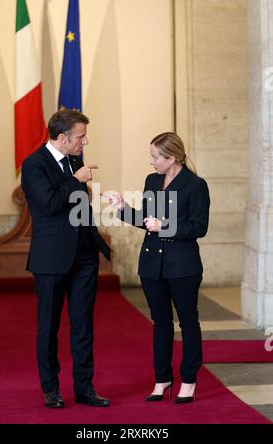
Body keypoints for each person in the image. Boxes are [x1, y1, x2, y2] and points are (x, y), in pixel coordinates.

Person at [104, 132, 210, 404]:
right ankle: (162, 379)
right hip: (152, 264)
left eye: (155, 157)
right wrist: (123, 208)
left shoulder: (195, 185)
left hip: (183, 266)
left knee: (187, 322)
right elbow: (146, 221)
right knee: (160, 324)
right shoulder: (152, 181)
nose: (151, 162)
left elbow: (199, 228)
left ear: (171, 158)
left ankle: (188, 380)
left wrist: (165, 226)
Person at [21, 109, 111, 408]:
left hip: (84, 256)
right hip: (50, 258)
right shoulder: (34, 164)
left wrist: (96, 242)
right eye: (81, 136)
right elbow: (49, 205)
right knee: (48, 326)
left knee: (83, 325)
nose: (85, 141)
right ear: (63, 138)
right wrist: (76, 180)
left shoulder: (75, 161)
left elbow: (76, 207)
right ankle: (51, 390)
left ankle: (85, 388)